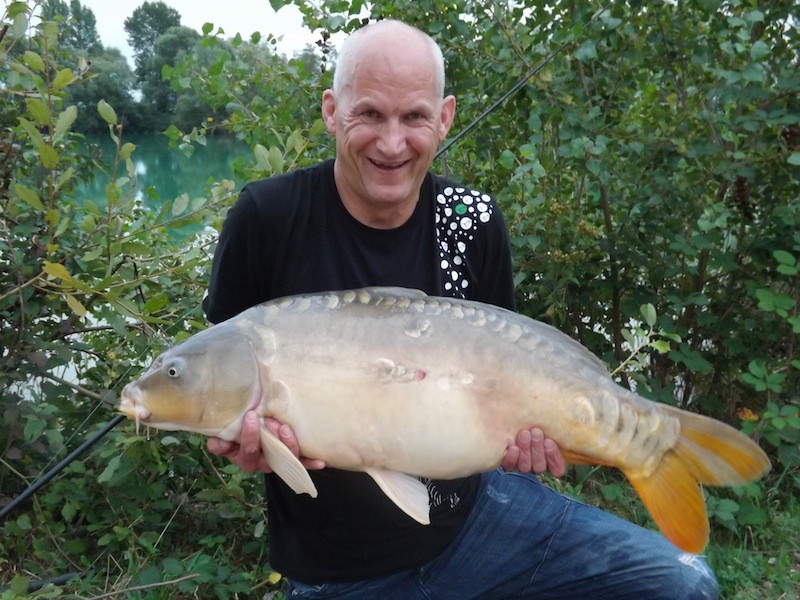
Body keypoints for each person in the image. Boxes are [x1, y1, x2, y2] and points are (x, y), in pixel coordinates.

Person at [203, 19, 719, 599]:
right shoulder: (267, 220)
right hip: (342, 568)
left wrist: (541, 436)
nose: (392, 142)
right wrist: (242, 438)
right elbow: (221, 375)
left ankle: (648, 441)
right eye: (369, 113)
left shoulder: (472, 220)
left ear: (444, 117)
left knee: (684, 583)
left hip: (481, 517)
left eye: (414, 117)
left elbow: (505, 368)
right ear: (331, 110)